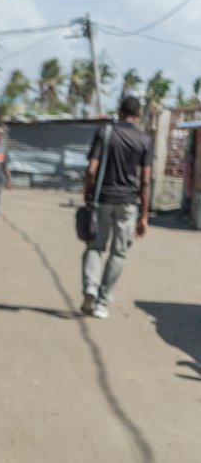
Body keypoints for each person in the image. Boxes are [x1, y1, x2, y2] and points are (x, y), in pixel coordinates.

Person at [80, 96, 152, 319]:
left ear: (119, 112)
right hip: (128, 204)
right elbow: (146, 181)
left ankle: (90, 287)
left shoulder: (105, 133)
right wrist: (144, 216)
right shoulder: (144, 140)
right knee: (118, 253)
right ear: (138, 115)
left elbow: (91, 170)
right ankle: (102, 302)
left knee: (94, 247)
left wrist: (87, 195)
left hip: (102, 199)